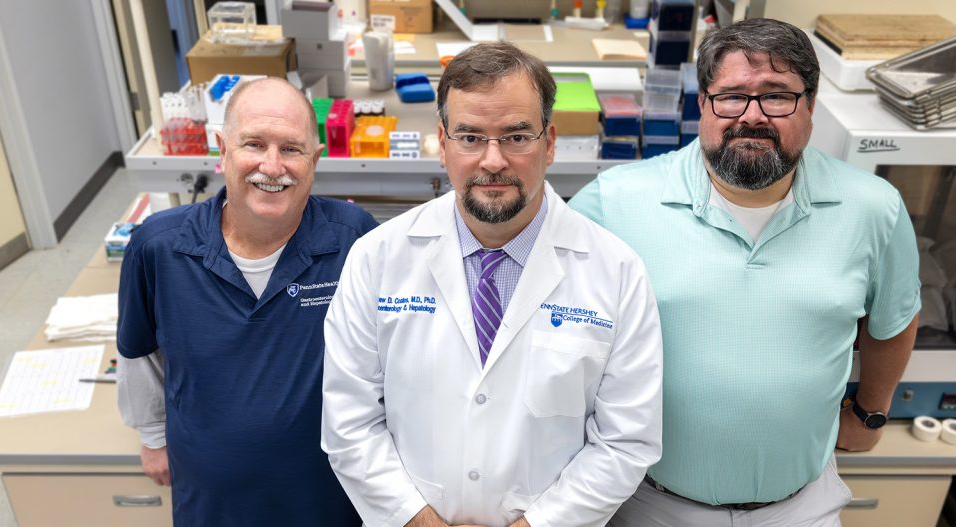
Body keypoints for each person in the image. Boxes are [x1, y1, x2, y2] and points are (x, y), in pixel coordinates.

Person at [570, 18, 921, 527]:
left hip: (800, 509)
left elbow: (894, 319)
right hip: (647, 504)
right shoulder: (614, 202)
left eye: (777, 96)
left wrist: (870, 413)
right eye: (731, 96)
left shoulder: (874, 209)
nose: (751, 117)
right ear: (703, 105)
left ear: (811, 106)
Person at [321, 42, 663, 527]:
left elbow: (626, 441)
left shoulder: (617, 273)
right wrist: (417, 519)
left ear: (550, 142)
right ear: (442, 144)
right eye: (470, 137)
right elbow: (348, 421)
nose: (493, 160)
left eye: (517, 136)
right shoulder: (379, 258)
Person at [116, 77, 376, 526]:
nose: (272, 167)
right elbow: (140, 354)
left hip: (330, 497)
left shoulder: (354, 239)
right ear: (223, 150)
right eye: (254, 144)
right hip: (213, 502)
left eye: (292, 149)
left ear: (314, 161)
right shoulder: (158, 248)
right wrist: (153, 437)